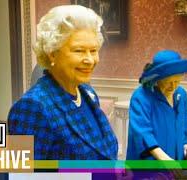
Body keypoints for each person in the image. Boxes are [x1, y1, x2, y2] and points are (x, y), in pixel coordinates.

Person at [8, 5, 118, 160]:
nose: (90, 60)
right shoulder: (32, 107)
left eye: (93, 50)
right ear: (52, 54)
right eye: (79, 50)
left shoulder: (87, 93)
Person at [126, 50, 187, 160]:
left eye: (177, 81)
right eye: (168, 82)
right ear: (157, 78)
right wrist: (167, 162)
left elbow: (183, 130)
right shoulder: (141, 97)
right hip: (150, 166)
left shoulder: (181, 94)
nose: (173, 87)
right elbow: (143, 134)